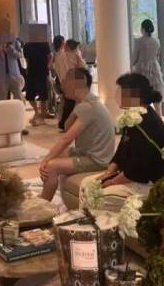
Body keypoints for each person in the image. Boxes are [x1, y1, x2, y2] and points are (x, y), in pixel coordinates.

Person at [89, 73, 164, 211]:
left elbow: (138, 166)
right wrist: (108, 173)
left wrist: (113, 181)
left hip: (147, 183)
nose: (119, 95)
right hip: (131, 176)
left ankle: (96, 223)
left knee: (97, 197)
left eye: (122, 92)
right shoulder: (132, 117)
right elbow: (122, 148)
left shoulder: (148, 122)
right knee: (88, 184)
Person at [39, 68, 115, 201]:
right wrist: (76, 103)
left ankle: (43, 204)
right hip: (88, 152)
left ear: (76, 83)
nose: (62, 85)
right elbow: (67, 127)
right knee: (55, 155)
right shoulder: (86, 103)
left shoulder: (88, 106)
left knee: (49, 167)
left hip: (96, 160)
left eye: (65, 81)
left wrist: (44, 161)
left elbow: (67, 138)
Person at [54, 39, 86, 131]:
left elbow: (57, 70)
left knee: (67, 103)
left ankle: (63, 124)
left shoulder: (58, 55)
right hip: (74, 82)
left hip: (63, 82)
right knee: (72, 104)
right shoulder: (74, 55)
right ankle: (65, 124)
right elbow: (83, 67)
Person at [132, 19, 164, 114]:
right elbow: (157, 56)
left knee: (141, 101)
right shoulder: (157, 41)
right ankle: (159, 120)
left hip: (142, 71)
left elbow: (134, 58)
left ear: (143, 29)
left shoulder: (138, 41)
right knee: (157, 102)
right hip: (155, 71)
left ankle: (143, 121)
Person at [22, 37, 53, 125]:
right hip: (31, 72)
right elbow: (27, 59)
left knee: (43, 95)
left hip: (43, 72)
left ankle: (42, 117)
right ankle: (37, 112)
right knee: (29, 96)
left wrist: (48, 66)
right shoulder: (27, 45)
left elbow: (50, 56)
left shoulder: (44, 43)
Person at [0, 35, 23, 101]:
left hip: (15, 75)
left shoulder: (15, 41)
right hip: (0, 76)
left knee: (19, 98)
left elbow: (20, 55)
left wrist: (13, 50)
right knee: (1, 100)